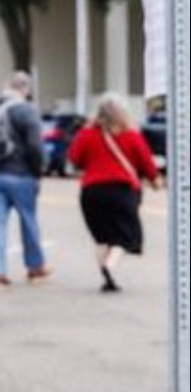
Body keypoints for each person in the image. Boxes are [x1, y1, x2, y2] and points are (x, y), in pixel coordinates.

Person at [67, 92, 162, 292]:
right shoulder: (131, 135)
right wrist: (155, 180)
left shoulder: (86, 134)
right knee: (126, 236)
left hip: (91, 192)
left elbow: (74, 159)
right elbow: (146, 162)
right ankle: (110, 266)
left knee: (102, 236)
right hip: (122, 191)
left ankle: (105, 274)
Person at [0, 70, 49, 289]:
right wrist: (38, 171)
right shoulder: (26, 110)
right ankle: (35, 268)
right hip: (21, 175)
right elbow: (36, 146)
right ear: (25, 89)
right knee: (28, 221)